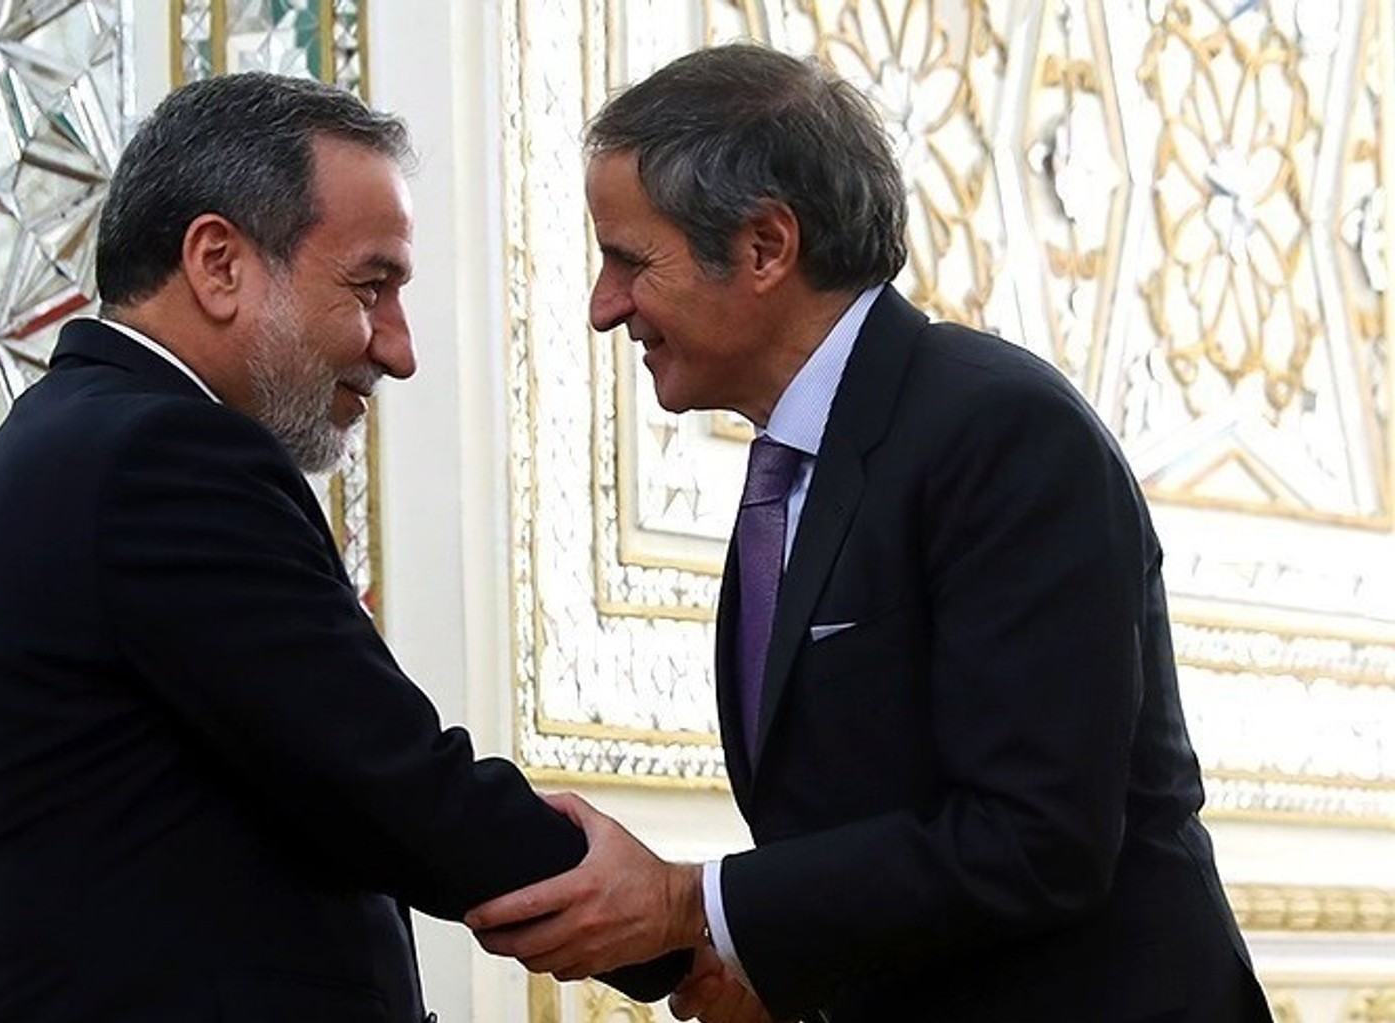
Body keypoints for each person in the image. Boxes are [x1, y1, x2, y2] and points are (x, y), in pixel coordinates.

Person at [466, 43, 1273, 1023]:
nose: (605, 307)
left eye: (631, 260)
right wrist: (781, 973)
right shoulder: (801, 463)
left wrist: (693, 904)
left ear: (766, 247)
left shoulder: (1001, 430)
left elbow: (1036, 840)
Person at [0, 72, 684, 1023]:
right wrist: (685, 933)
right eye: (372, 287)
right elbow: (390, 781)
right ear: (218, 264)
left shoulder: (72, 440)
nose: (398, 348)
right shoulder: (164, 455)